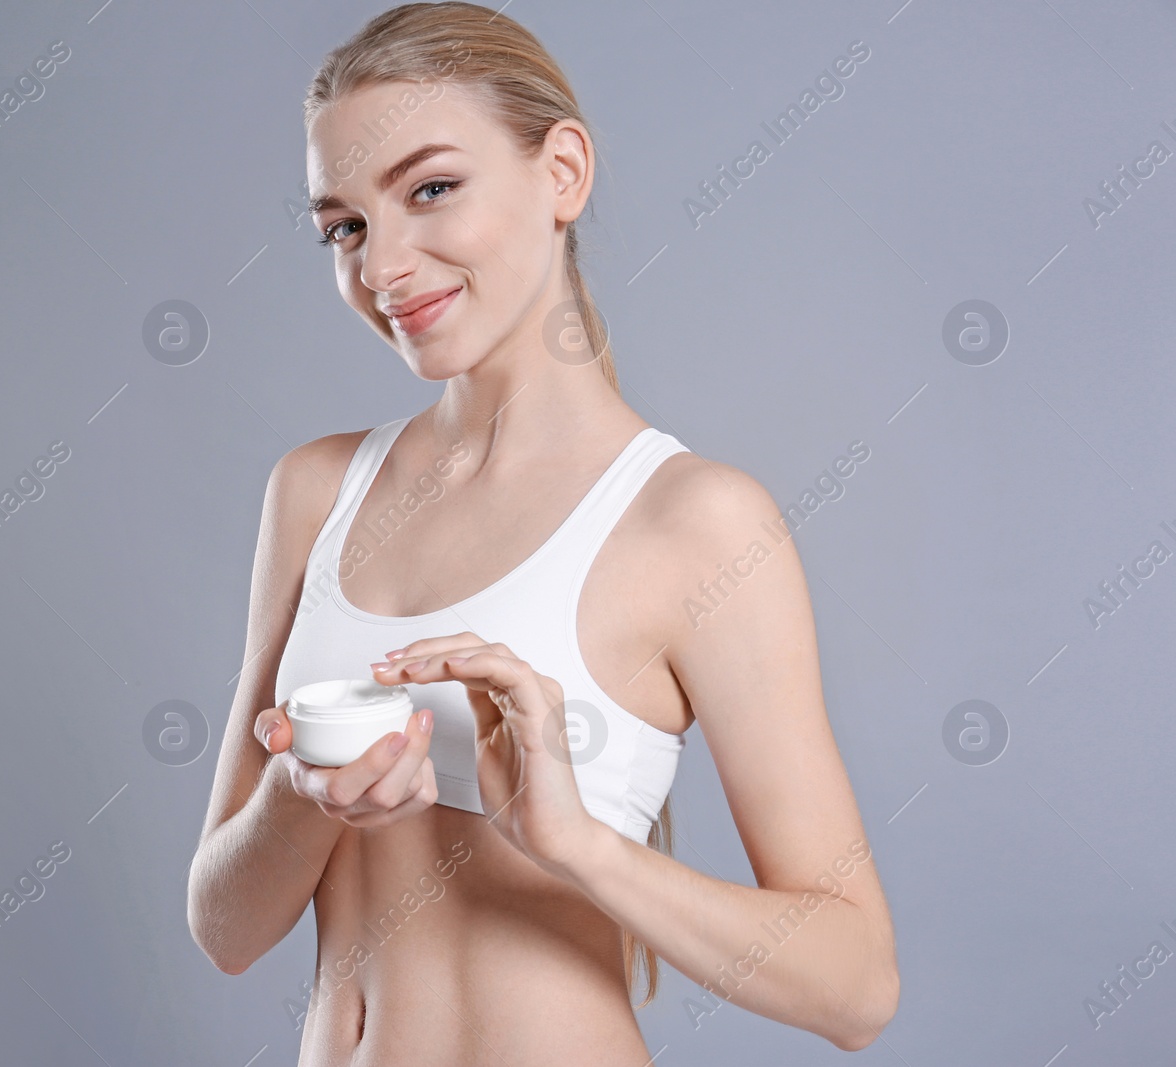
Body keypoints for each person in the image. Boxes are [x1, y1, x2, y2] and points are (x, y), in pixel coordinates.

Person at [188, 4, 898, 1062]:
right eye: (343, 225)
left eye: (429, 189)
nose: (381, 266)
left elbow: (856, 986)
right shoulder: (315, 491)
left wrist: (578, 846)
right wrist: (303, 791)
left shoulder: (693, 524)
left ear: (561, 172)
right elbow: (228, 929)